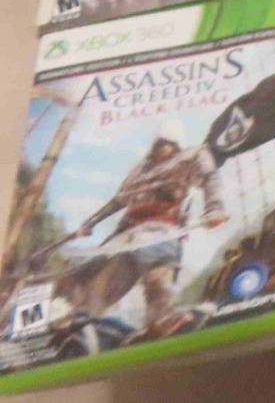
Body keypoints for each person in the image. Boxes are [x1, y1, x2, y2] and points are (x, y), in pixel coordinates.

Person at [64, 124, 225, 333]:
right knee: (101, 280)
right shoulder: (140, 170)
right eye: (160, 144)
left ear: (176, 146)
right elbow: (118, 201)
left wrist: (214, 207)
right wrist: (90, 223)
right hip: (126, 234)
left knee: (156, 268)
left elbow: (209, 176)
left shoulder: (188, 159)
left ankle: (161, 314)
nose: (163, 148)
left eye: (167, 144)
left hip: (158, 229)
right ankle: (80, 319)